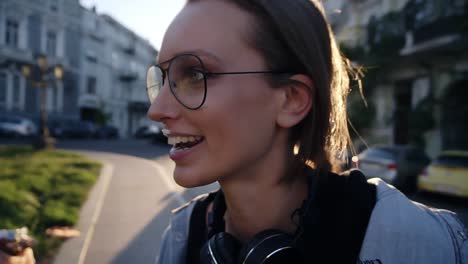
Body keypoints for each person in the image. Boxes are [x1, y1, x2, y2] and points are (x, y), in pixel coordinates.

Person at [146, 0, 468, 263]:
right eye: (164, 79)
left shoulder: (421, 245)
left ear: (291, 99)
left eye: (196, 74)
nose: (157, 110)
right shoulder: (181, 238)